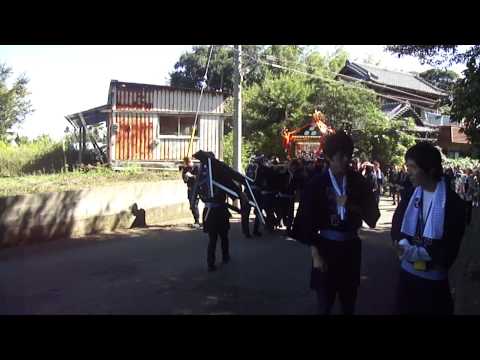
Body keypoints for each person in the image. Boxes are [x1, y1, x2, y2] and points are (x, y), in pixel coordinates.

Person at [296, 131, 380, 315]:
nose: (345, 160)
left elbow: (373, 218)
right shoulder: (317, 183)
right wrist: (315, 254)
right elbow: (305, 223)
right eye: (340, 156)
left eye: (347, 155)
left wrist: (350, 205)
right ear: (328, 157)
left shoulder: (358, 182)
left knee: (348, 304)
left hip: (350, 249)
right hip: (325, 248)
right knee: (324, 304)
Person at [391, 142, 466, 315]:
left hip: (434, 283)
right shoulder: (410, 194)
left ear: (430, 170)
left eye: (413, 167)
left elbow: (450, 245)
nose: (408, 172)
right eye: (407, 166)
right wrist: (403, 244)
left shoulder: (453, 204)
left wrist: (419, 253)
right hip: (407, 277)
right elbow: (397, 224)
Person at [203, 189, 232, 272]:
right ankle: (211, 262)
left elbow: (223, 196)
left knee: (223, 237)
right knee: (214, 239)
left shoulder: (218, 181)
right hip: (212, 212)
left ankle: (224, 256)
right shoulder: (204, 182)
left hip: (219, 211)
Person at [181, 156, 200, 228]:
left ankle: (197, 221)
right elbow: (185, 181)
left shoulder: (196, 168)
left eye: (187, 163)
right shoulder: (185, 169)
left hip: (196, 189)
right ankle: (196, 220)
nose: (187, 165)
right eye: (186, 164)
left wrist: (191, 176)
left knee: (194, 204)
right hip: (190, 189)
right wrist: (186, 177)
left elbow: (198, 178)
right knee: (192, 205)